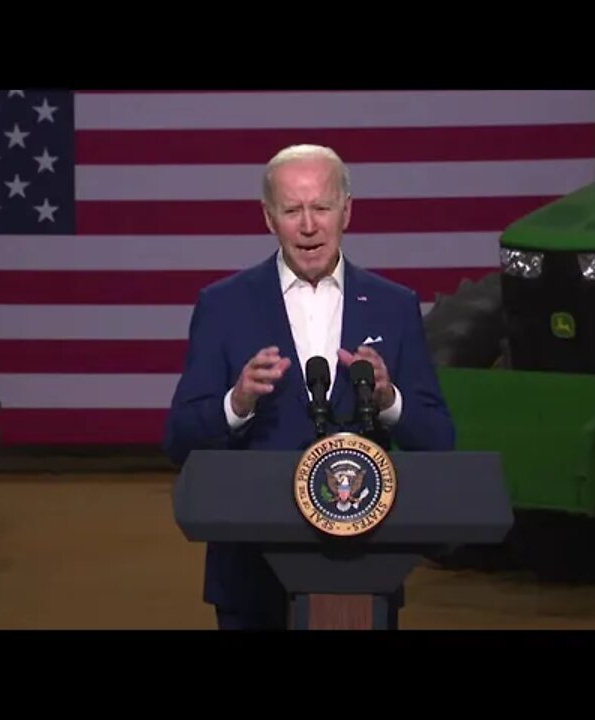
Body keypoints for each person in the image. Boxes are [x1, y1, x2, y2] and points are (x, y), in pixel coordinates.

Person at [161, 144, 455, 630]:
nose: (309, 225)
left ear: (347, 211)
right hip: (252, 575)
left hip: (363, 569)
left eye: (321, 207)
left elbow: (439, 437)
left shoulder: (393, 306)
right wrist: (237, 402)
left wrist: (388, 399)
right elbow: (178, 440)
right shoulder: (223, 305)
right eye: (292, 210)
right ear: (268, 218)